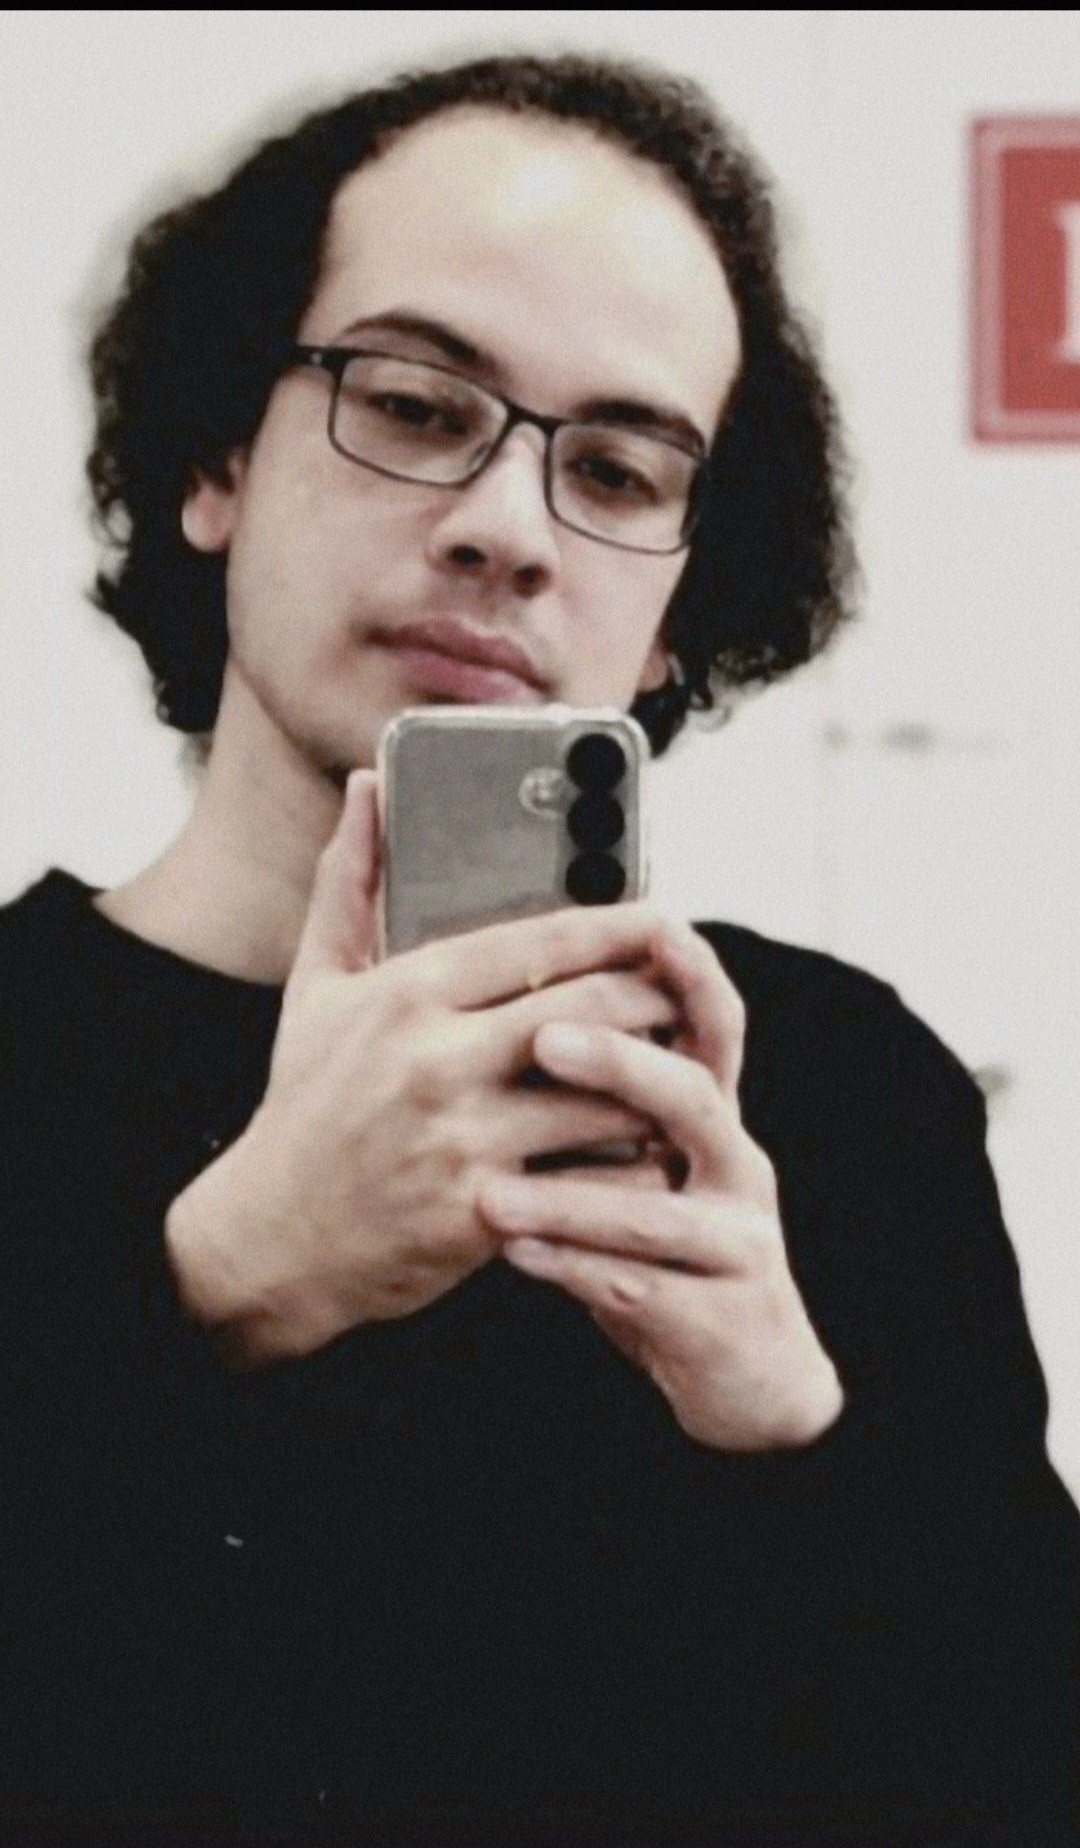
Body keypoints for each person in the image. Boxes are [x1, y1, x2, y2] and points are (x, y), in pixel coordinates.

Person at [1, 50, 1077, 1848]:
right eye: (416, 405)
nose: (507, 528)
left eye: (620, 469)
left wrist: (800, 1432)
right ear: (214, 459)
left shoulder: (834, 1096)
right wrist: (224, 1285)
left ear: (670, 617)